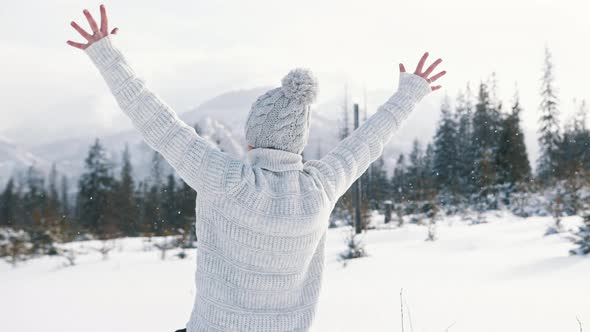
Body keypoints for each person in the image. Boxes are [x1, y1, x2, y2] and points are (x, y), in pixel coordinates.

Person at [67, 4, 446, 332]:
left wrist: (106, 55)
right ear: (298, 140)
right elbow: (366, 142)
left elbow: (158, 122)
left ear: (252, 137)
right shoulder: (320, 187)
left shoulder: (227, 180)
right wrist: (409, 94)